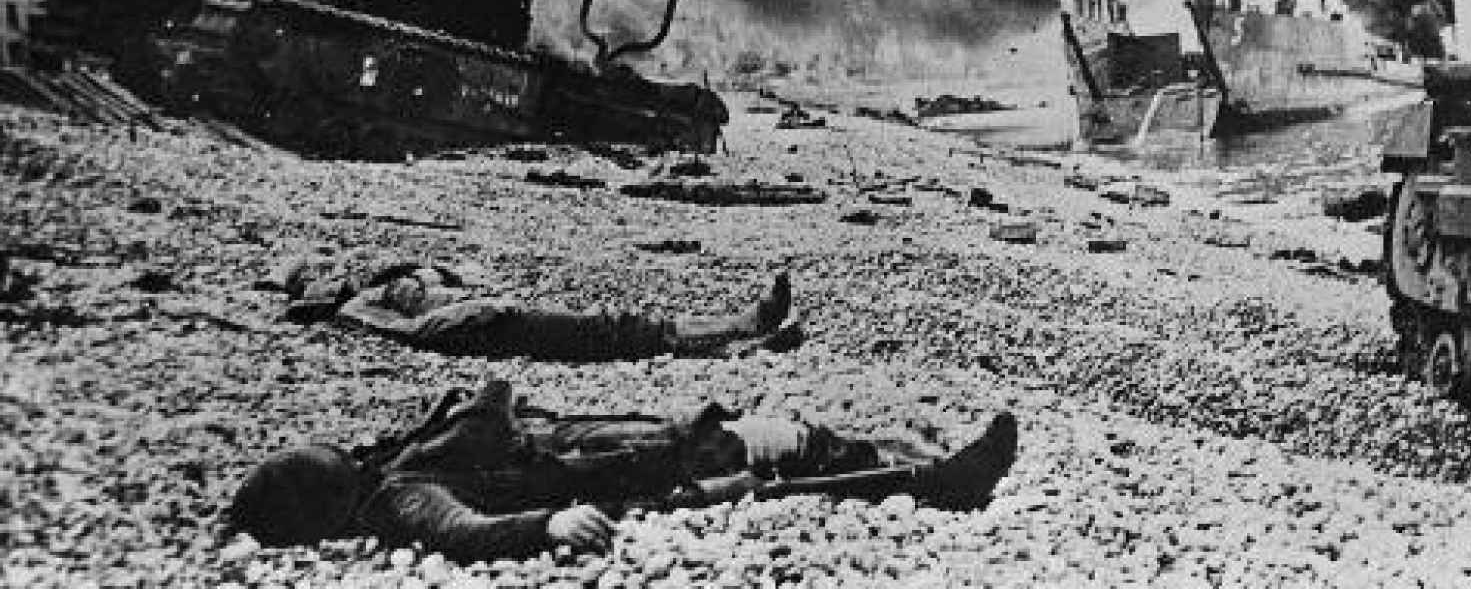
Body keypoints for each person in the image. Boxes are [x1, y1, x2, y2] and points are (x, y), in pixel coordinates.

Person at [228, 379, 1019, 562]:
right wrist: (548, 526)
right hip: (607, 480)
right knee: (765, 462)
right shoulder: (401, 500)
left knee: (771, 440)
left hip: (592, 448)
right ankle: (937, 485)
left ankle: (909, 462)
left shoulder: (390, 472)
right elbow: (464, 534)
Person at [287, 269, 800, 362]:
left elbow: (433, 282)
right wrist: (479, 311)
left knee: (618, 331)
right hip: (496, 327)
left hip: (496, 316)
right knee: (616, 331)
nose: (334, 274)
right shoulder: (358, 310)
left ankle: (743, 337)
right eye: (320, 278)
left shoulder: (375, 290)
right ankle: (746, 328)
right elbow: (417, 332)